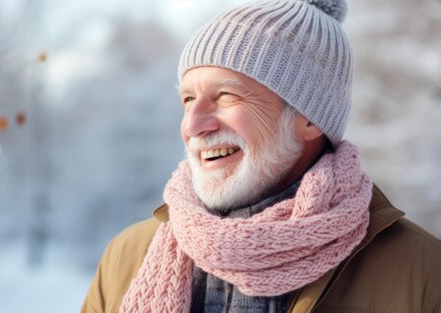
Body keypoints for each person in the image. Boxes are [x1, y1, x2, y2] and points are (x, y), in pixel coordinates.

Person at [81, 0, 441, 312]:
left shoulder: (422, 273)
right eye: (188, 99)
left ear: (310, 117)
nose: (192, 125)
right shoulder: (126, 258)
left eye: (225, 96)